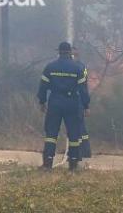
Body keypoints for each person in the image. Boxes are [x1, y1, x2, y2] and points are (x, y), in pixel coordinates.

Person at [37, 42, 90, 172]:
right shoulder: (77, 68)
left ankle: (47, 163)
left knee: (51, 133)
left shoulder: (50, 67)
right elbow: (83, 89)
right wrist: (86, 105)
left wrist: (42, 102)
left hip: (55, 102)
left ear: (59, 52)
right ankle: (73, 164)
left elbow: (43, 87)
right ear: (70, 52)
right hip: (72, 103)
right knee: (73, 134)